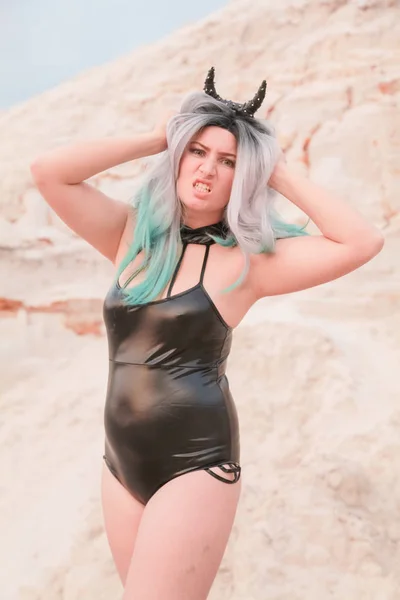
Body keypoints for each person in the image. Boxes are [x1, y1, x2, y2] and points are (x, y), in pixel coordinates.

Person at [30, 67, 384, 600]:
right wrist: (160, 135)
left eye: (229, 162)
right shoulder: (131, 238)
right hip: (120, 462)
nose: (207, 169)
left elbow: (363, 241)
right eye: (196, 151)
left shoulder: (250, 262)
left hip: (194, 462)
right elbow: (48, 172)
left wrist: (277, 171)